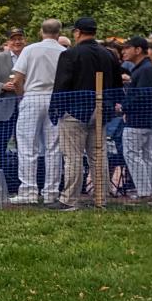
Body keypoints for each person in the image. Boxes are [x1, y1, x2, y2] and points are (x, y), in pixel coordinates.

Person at [51, 18, 124, 208]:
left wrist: (55, 108)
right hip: (102, 110)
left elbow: (61, 84)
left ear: (77, 32)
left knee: (73, 157)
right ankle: (101, 198)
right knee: (99, 156)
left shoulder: (70, 54)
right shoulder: (109, 55)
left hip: (75, 111)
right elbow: (117, 85)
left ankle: (69, 200)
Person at [119, 37, 152, 200]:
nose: (123, 51)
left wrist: (123, 106)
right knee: (145, 155)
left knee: (132, 154)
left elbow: (140, 95)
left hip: (138, 119)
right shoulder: (145, 68)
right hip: (147, 119)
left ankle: (144, 192)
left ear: (138, 50)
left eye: (127, 48)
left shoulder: (144, 69)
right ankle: (148, 191)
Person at [0, 24, 24, 192]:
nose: (17, 42)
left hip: (25, 108)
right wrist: (2, 86)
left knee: (25, 148)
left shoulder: (30, 57)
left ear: (25, 40)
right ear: (8, 42)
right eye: (14, 39)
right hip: (1, 109)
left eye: (20, 39)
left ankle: (21, 184)